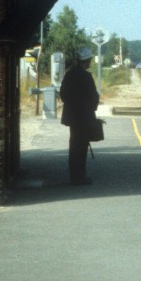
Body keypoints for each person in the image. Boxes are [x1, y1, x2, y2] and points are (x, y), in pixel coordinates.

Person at [59, 46, 100, 185]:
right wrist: (90, 108)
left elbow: (63, 94)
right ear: (87, 61)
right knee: (82, 148)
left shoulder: (69, 74)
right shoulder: (86, 77)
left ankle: (74, 176)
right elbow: (94, 97)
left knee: (74, 146)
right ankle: (80, 178)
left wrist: (72, 106)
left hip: (72, 118)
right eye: (89, 60)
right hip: (84, 117)